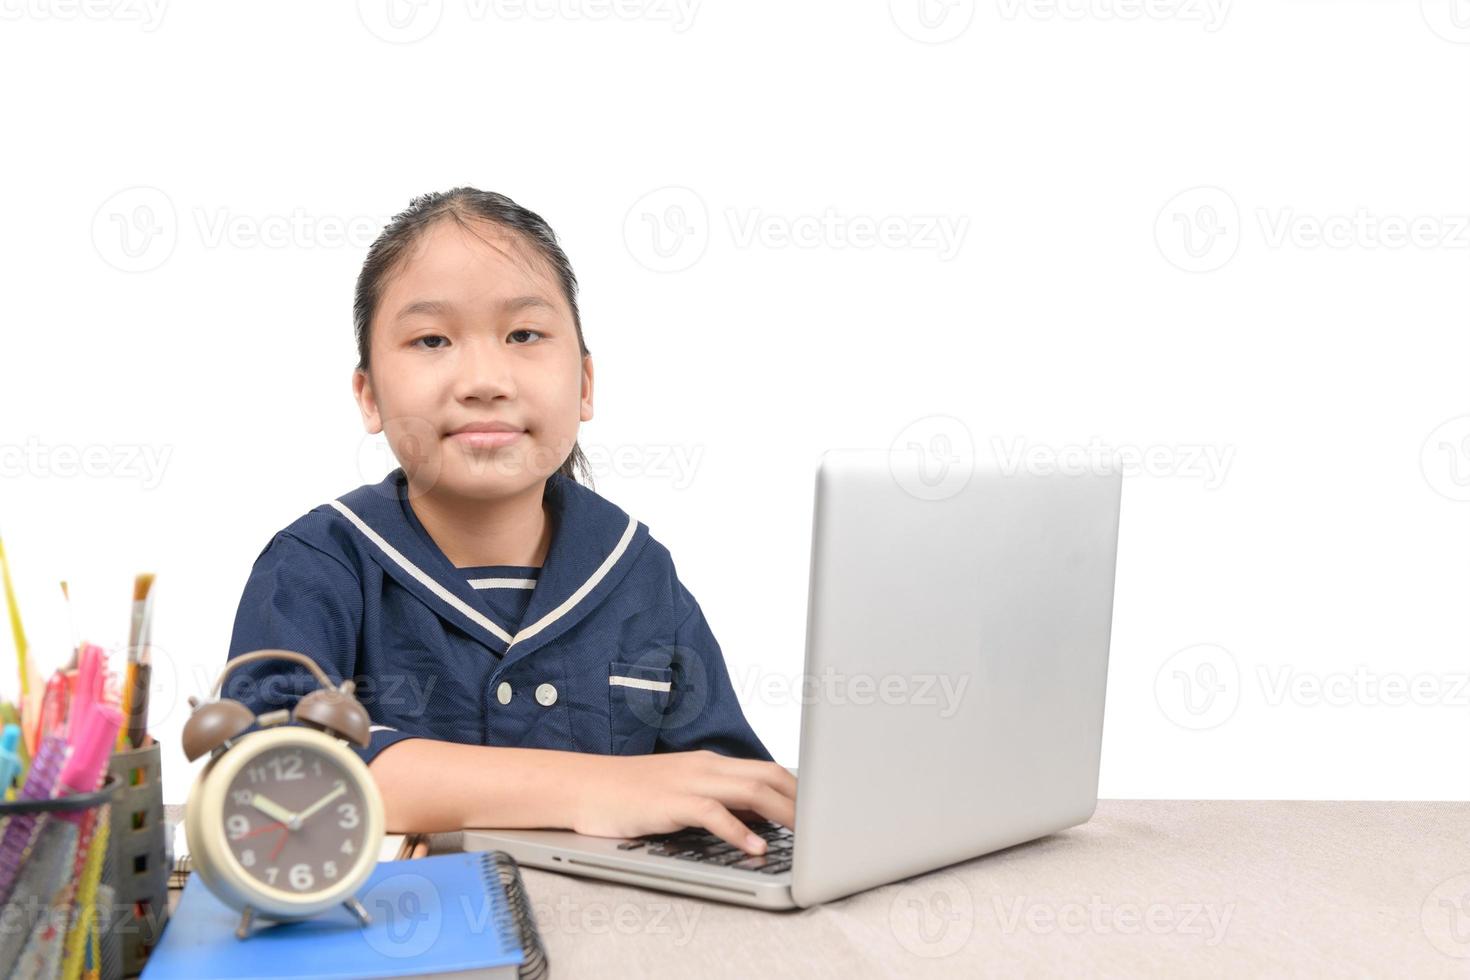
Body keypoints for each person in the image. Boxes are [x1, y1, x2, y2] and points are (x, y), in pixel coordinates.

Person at [224, 188, 794, 857]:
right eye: (431, 339)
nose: (484, 379)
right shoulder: (319, 564)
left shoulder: (639, 575)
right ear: (369, 394)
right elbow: (271, 778)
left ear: (585, 385)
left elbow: (717, 794)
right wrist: (592, 788)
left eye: (524, 334)